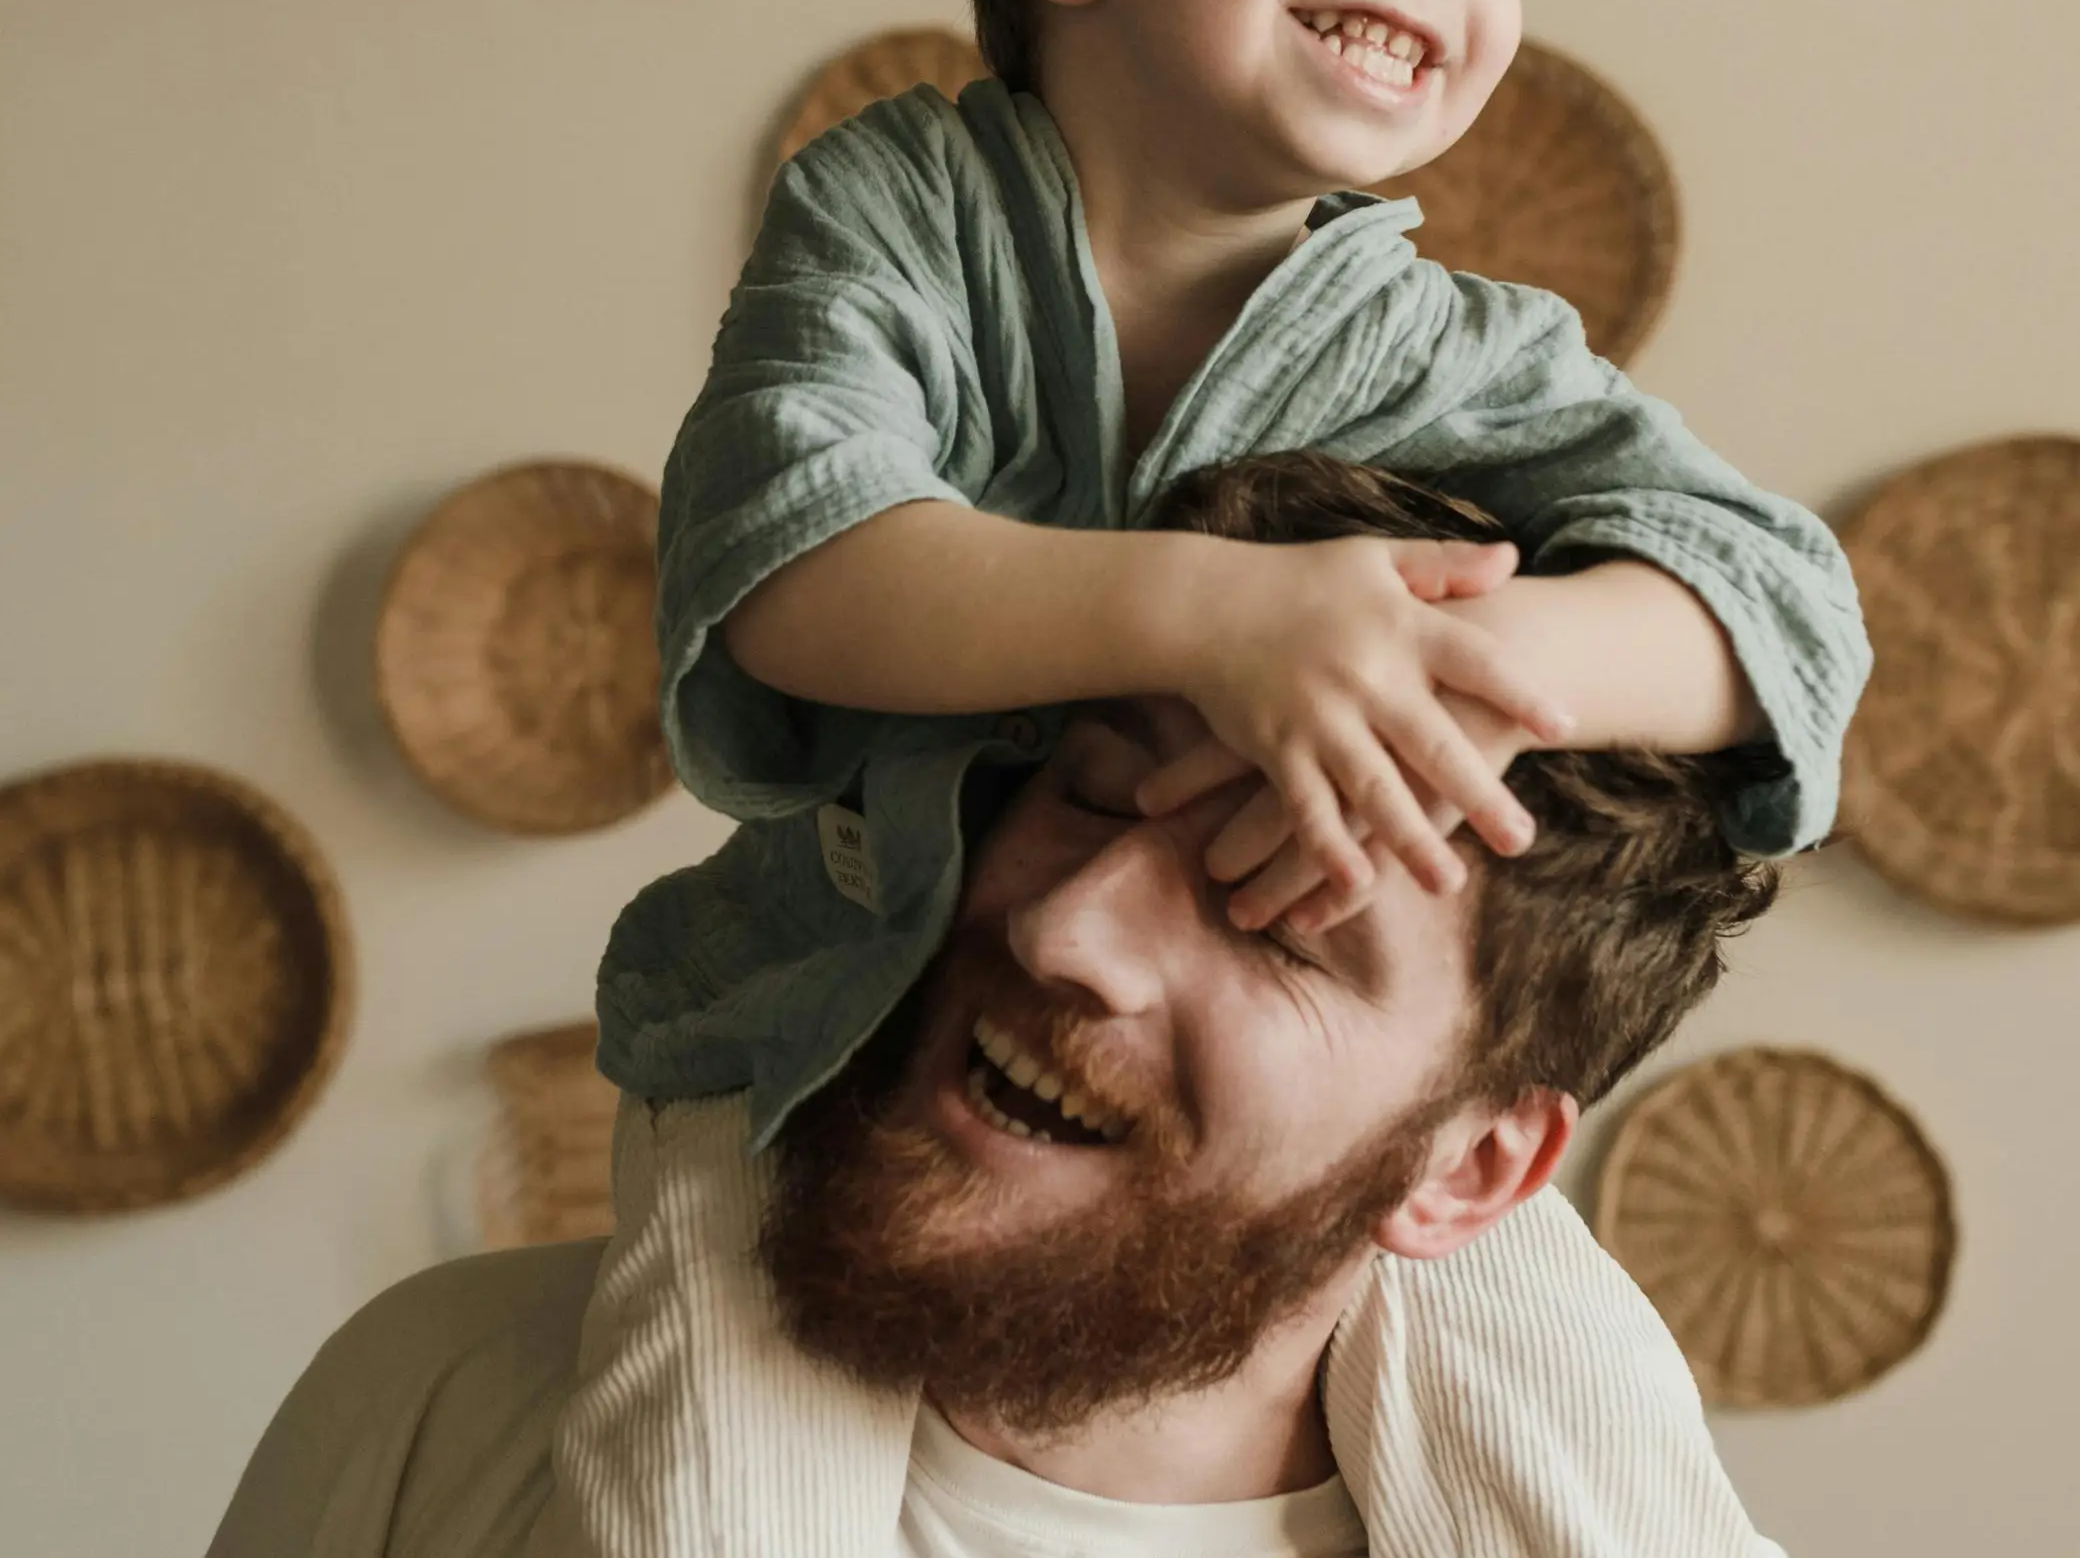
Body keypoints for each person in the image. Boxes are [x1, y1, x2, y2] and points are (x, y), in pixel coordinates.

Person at [580, 0, 1870, 1549]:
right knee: (708, 1475)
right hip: (837, 1043)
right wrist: (1225, 616)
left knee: (1609, 1438)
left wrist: (1477, 661)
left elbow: (1786, 612)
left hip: (1295, 1145)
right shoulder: (903, 211)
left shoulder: (1453, 347)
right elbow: (796, 567)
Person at [211, 456, 1794, 1558]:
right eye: (1089, 796)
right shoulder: (438, 1398)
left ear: (1471, 1170)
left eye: (1279, 919)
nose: (1064, 926)